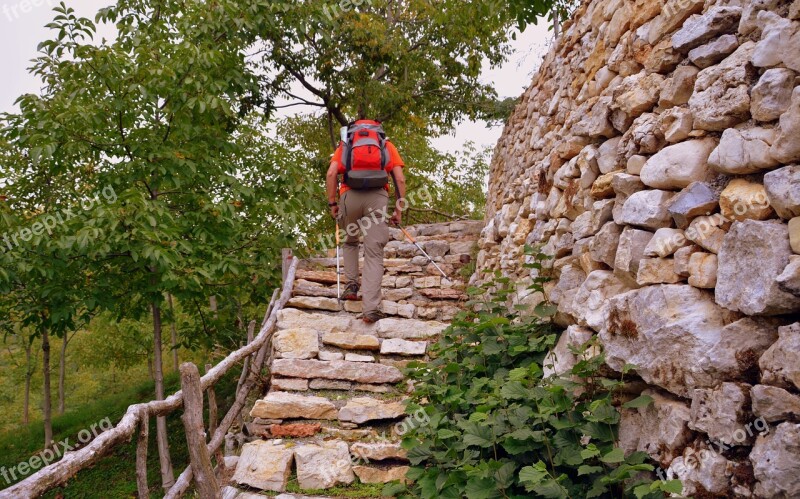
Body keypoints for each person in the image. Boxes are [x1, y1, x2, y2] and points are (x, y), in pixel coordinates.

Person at [326, 119, 407, 323]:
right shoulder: (385, 145)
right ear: (378, 131)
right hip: (377, 198)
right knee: (373, 253)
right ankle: (370, 308)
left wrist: (332, 204)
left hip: (349, 196)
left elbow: (331, 173)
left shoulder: (345, 145)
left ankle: (351, 286)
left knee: (350, 242)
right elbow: (400, 179)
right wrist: (398, 210)